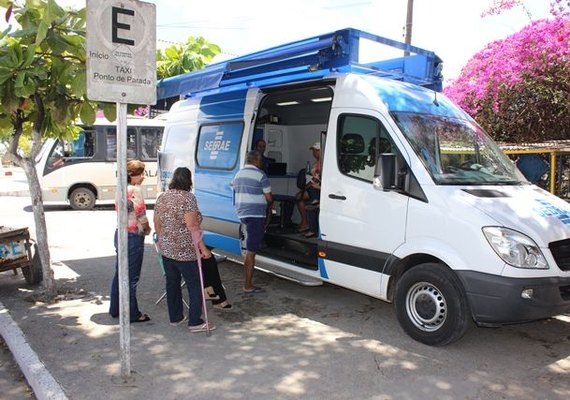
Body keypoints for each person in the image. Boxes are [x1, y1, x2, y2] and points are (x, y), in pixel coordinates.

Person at [153, 167, 217, 332]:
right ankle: (195, 321)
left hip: (167, 249)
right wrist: (203, 249)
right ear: (189, 180)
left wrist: (161, 240)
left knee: (172, 283)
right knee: (194, 285)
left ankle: (175, 317)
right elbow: (193, 226)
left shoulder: (162, 197)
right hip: (185, 250)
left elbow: (157, 221)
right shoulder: (188, 198)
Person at [109, 159, 152, 323]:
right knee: (132, 277)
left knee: (119, 273)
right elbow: (140, 213)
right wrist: (147, 228)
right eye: (141, 174)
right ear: (132, 175)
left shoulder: (120, 188)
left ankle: (115, 309)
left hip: (120, 233)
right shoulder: (135, 189)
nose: (143, 177)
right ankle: (133, 313)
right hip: (133, 235)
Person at [232, 150, 273, 293]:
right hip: (255, 215)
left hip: (242, 213)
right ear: (256, 160)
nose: (261, 162)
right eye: (260, 160)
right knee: (251, 252)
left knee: (251, 247)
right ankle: (248, 285)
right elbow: (269, 198)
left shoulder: (238, 174)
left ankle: (248, 283)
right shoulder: (261, 175)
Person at [296, 142, 321, 238]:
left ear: (319, 151)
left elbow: (316, 179)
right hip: (314, 187)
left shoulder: (321, 162)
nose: (313, 153)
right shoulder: (317, 162)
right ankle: (307, 224)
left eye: (314, 151)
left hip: (318, 189)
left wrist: (305, 187)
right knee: (305, 202)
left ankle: (307, 224)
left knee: (300, 197)